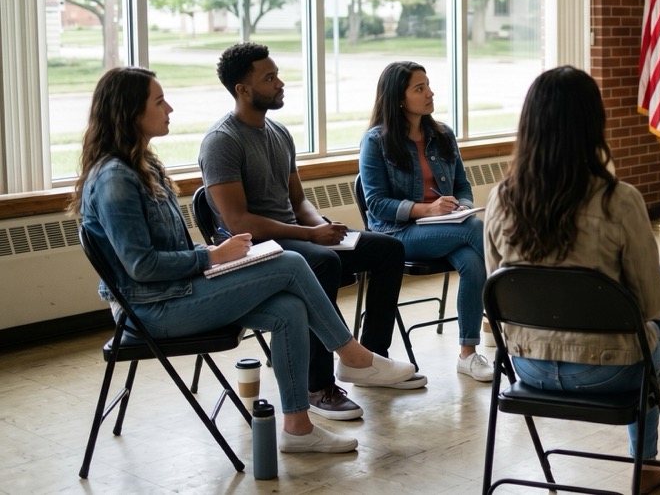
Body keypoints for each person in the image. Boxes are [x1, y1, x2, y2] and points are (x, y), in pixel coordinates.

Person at [74, 68, 419, 454]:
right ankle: (353, 356)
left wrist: (219, 262)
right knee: (289, 263)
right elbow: (142, 267)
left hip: (175, 291)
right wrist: (212, 256)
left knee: (288, 307)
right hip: (152, 308)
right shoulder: (115, 179)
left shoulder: (145, 165)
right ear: (129, 112)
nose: (169, 107)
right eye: (158, 101)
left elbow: (168, 248)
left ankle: (298, 429)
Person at [484, 66, 660, 494]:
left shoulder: (500, 198)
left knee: (640, 327)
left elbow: (497, 290)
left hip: (528, 367)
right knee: (648, 331)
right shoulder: (620, 200)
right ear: (593, 126)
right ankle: (646, 463)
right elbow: (653, 304)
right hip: (608, 373)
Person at [199, 42, 425, 423]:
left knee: (387, 249)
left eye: (277, 74)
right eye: (269, 78)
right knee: (321, 263)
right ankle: (317, 385)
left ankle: (369, 359)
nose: (280, 82)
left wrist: (320, 226)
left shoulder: (279, 132)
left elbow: (299, 201)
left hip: (296, 233)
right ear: (243, 89)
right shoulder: (222, 141)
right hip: (258, 246)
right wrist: (308, 237)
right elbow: (238, 222)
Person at [358, 60, 493, 382]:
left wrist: (461, 205)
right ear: (399, 98)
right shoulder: (376, 141)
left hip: (450, 229)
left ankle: (467, 354)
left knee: (474, 262)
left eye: (428, 85)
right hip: (399, 234)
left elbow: (462, 185)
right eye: (420, 88)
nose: (430, 93)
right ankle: (520, 307)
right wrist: (425, 210)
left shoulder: (443, 134)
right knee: (476, 230)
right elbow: (376, 204)